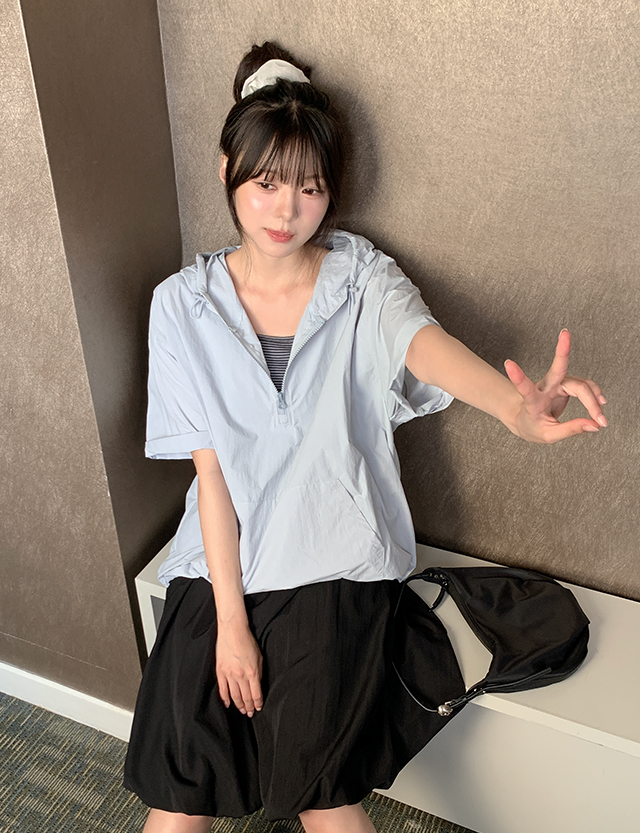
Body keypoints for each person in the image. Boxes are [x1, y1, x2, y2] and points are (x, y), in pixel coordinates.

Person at [123, 42, 607, 833]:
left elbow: (425, 345)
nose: (285, 211)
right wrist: (231, 624)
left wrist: (513, 409)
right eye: (266, 183)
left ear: (331, 192)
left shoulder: (362, 280)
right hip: (218, 561)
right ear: (226, 169)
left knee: (323, 790)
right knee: (179, 790)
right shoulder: (181, 304)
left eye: (309, 188)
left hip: (334, 559)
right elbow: (212, 476)